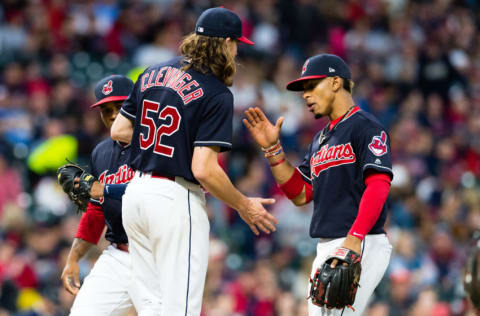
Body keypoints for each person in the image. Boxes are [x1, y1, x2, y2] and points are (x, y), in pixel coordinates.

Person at [109, 7, 278, 316]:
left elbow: (118, 129)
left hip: (135, 196)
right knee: (180, 308)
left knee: (151, 306)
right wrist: (243, 204)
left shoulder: (151, 72)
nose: (237, 50)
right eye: (236, 43)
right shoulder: (217, 92)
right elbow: (204, 169)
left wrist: (166, 146)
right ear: (226, 43)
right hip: (174, 199)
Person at [243, 54, 393, 315]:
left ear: (336, 82)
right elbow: (301, 193)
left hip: (360, 240)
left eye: (312, 86)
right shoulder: (320, 139)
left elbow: (379, 184)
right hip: (328, 244)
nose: (305, 95)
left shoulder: (366, 127)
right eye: (304, 89)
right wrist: (272, 149)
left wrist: (354, 239)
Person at [61, 75, 136, 316]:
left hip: (161, 255)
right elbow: (96, 210)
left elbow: (157, 193)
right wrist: (74, 258)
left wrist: (105, 189)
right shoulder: (101, 152)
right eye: (106, 110)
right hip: (120, 255)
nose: (113, 115)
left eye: (121, 107)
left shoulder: (156, 144)